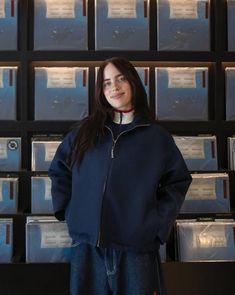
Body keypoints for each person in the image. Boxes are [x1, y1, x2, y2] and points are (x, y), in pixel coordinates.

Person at [48, 57, 192, 295]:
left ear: (133, 81)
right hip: (87, 249)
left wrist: (157, 227)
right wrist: (69, 212)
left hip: (136, 249)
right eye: (106, 83)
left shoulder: (156, 137)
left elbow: (177, 182)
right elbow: (59, 170)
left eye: (120, 79)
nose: (113, 87)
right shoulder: (84, 132)